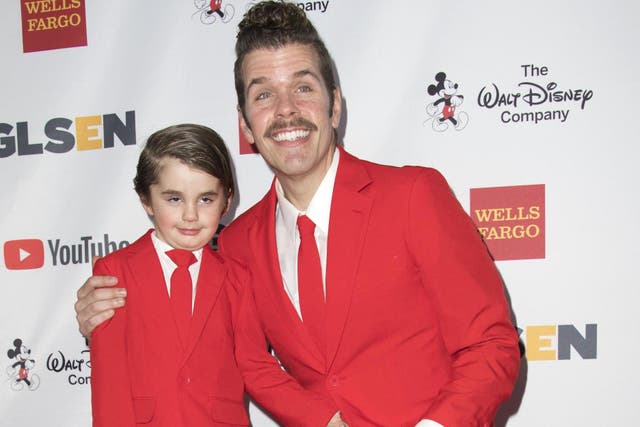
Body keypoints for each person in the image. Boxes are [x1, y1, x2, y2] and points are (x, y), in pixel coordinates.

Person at [77, 2, 520, 426]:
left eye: (303, 88)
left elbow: (491, 344)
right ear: (246, 124)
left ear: (336, 104)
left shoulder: (412, 196)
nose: (286, 108)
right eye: (265, 94)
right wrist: (105, 311)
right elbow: (212, 352)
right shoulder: (236, 243)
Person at [88, 123, 346, 427]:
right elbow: (110, 382)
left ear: (226, 201)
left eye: (205, 199)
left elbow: (255, 365)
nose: (190, 215)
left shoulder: (236, 276)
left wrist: (321, 417)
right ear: (146, 199)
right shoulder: (115, 271)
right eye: (174, 199)